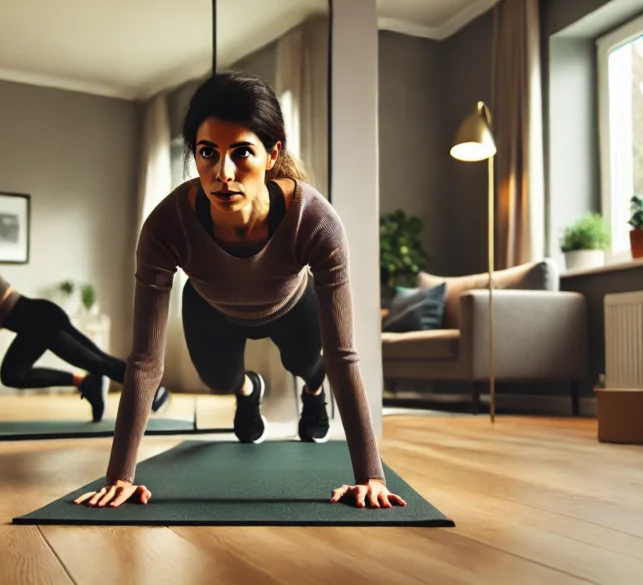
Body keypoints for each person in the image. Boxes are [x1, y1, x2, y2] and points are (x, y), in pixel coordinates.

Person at [74, 71, 406, 511]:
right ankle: (250, 390)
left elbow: (345, 354)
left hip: (291, 306)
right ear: (194, 155)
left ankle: (310, 392)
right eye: (207, 153)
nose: (222, 173)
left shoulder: (316, 221)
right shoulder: (166, 226)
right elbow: (145, 360)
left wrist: (370, 476)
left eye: (242, 153)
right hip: (211, 308)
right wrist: (120, 475)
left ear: (273, 154)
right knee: (219, 380)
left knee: (315, 364)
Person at [0, 218, 170, 421]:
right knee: (13, 374)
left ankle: (154, 389)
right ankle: (85, 383)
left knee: (97, 361)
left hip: (40, 320)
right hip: (34, 323)